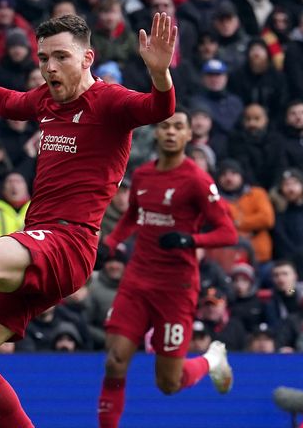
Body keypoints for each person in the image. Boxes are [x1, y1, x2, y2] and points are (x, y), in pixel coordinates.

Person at [0, 13, 176, 427]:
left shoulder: (110, 102)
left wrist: (159, 73)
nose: (50, 67)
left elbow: (159, 107)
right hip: (43, 246)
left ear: (88, 58)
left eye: (61, 57)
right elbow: (9, 102)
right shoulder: (47, 101)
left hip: (68, 243)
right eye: (43, 58)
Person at [97, 109, 238, 427]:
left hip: (176, 288)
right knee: (115, 361)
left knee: (168, 383)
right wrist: (110, 243)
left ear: (189, 135)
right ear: (156, 134)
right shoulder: (144, 175)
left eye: (178, 127)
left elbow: (227, 232)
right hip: (137, 280)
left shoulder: (198, 181)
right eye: (165, 126)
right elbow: (132, 215)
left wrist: (190, 240)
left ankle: (211, 359)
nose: (171, 132)